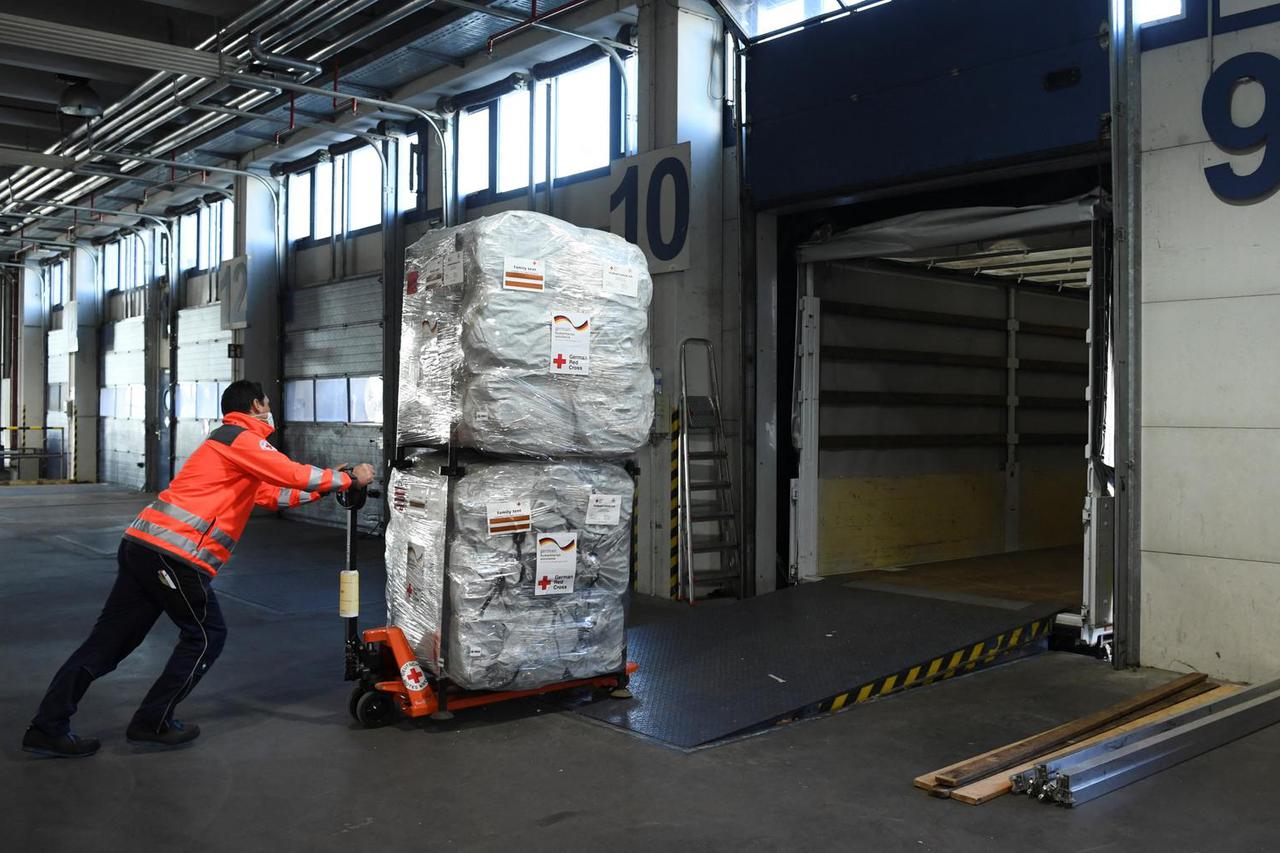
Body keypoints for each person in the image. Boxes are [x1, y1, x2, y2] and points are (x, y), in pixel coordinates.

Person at [22, 380, 376, 758]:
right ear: (256, 405)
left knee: (109, 644)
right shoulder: (241, 438)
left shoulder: (232, 449)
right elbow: (291, 473)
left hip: (145, 548)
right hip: (172, 554)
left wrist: (326, 484)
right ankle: (151, 721)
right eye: (268, 401)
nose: (270, 408)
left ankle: (48, 726)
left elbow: (275, 494)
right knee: (206, 635)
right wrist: (350, 477)